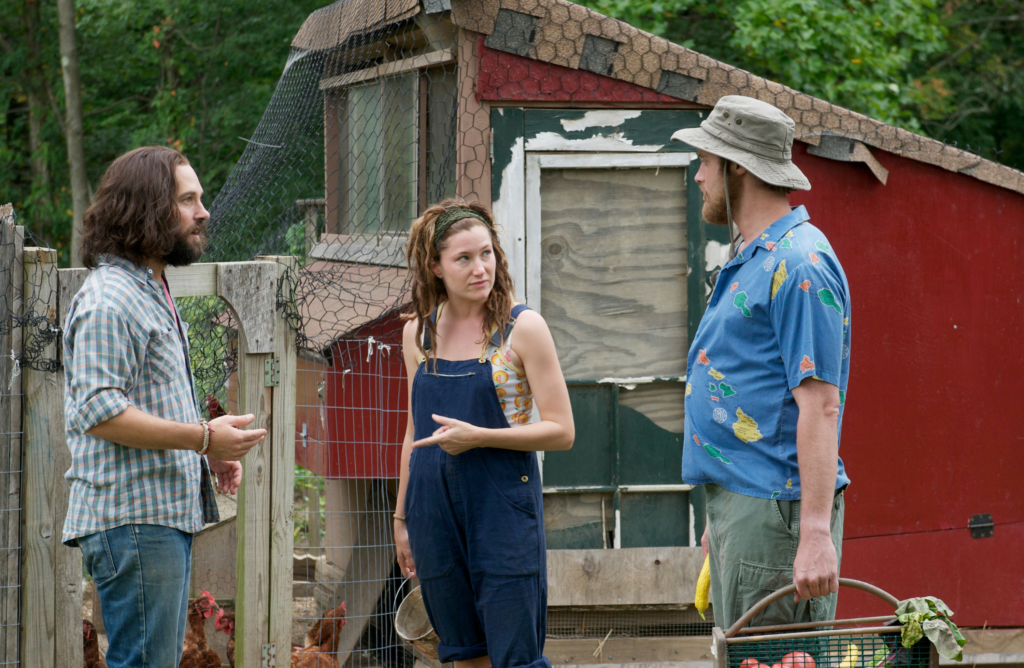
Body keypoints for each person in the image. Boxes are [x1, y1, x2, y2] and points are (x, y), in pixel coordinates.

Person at [62, 146, 266, 667]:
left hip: (152, 519)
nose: (204, 211)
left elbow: (149, 400)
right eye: (188, 200)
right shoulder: (111, 298)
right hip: (133, 521)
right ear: (148, 208)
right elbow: (100, 411)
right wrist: (202, 437)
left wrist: (206, 453)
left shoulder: (150, 287)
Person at [671, 96, 852, 629]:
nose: (698, 175)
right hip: (743, 503)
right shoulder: (754, 253)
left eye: (705, 160)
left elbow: (819, 405)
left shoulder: (798, 264)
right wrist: (722, 515)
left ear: (736, 168)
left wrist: (815, 533)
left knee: (774, 661)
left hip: (777, 509)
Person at [393, 200, 575, 668]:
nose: (481, 268)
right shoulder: (419, 336)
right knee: (462, 652)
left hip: (502, 508)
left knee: (515, 655)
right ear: (435, 267)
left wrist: (480, 436)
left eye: (487, 253)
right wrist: (401, 520)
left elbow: (562, 431)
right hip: (432, 509)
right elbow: (415, 430)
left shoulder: (521, 329)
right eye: (464, 259)